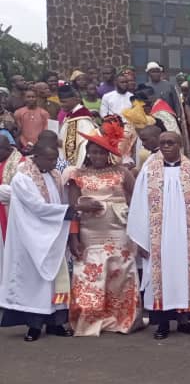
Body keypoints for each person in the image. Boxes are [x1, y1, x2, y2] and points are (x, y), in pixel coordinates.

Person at [0, 144, 83, 340]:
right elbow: (36, 207)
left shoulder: (54, 175)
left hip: (53, 234)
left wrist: (67, 213)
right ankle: (34, 327)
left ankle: (56, 324)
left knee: (55, 281)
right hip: (31, 236)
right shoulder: (23, 178)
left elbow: (61, 200)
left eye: (55, 158)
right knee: (36, 284)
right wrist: (69, 211)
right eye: (49, 158)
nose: (53, 163)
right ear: (36, 156)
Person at [127, 132, 190, 339]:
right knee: (160, 278)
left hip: (186, 235)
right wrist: (141, 238)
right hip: (157, 237)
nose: (166, 146)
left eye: (170, 143)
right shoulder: (149, 171)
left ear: (179, 144)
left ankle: (184, 321)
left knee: (186, 277)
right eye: (162, 143)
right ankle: (162, 324)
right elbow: (138, 205)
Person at [66, 121, 140, 336]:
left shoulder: (122, 173)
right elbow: (71, 210)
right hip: (90, 234)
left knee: (120, 276)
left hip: (118, 233)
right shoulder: (76, 175)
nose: (97, 156)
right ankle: (89, 320)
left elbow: (136, 203)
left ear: (108, 153)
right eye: (93, 152)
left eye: (101, 152)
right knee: (88, 277)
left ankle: (120, 320)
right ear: (87, 153)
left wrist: (136, 233)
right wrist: (74, 238)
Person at [57, 83, 96, 165]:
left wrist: (61, 143)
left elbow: (85, 144)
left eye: (64, 102)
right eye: (60, 102)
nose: (62, 105)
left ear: (75, 100)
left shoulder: (83, 120)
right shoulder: (70, 115)